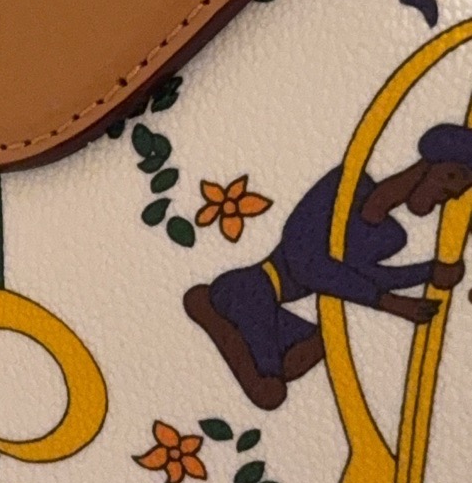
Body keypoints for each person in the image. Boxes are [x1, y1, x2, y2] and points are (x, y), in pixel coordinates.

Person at [185, 123, 472, 412]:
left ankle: (215, 312)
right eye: (449, 184)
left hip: (273, 305)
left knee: (314, 345)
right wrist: (389, 302)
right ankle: (208, 305)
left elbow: (362, 275)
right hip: (251, 287)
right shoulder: (344, 185)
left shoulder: (391, 236)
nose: (450, 197)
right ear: (444, 171)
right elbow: (307, 264)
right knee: (269, 390)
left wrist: (428, 271)